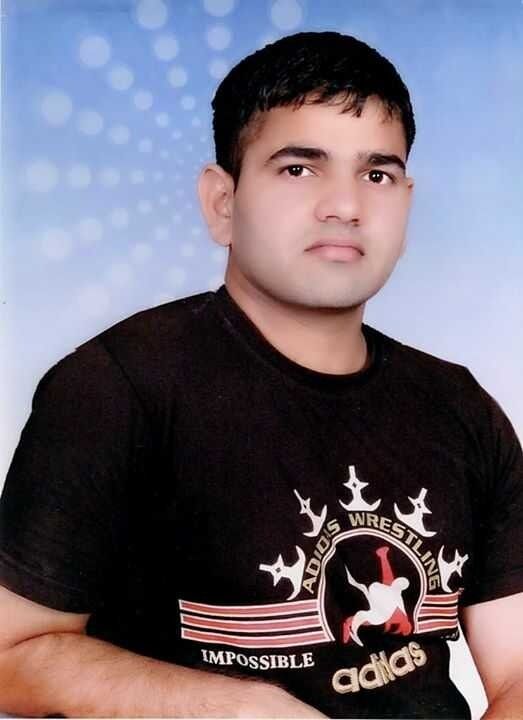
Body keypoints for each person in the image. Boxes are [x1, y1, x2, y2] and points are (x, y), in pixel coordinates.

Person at [0, 30, 521, 719]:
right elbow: (10, 655)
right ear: (222, 201)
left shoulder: (460, 407)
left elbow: (516, 668)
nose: (345, 205)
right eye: (298, 168)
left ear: (405, 199)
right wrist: (243, 711)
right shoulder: (116, 389)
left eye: (376, 174)